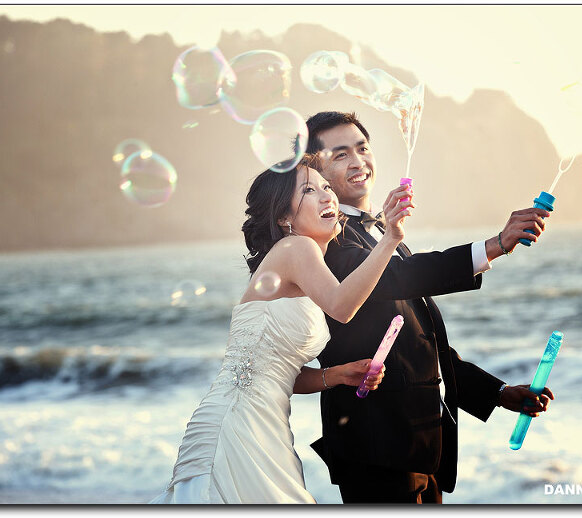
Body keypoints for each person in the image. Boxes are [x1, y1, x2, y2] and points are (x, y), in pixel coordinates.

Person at [305, 111, 555, 504]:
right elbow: (400, 277)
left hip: (420, 446)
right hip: (375, 449)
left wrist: (497, 392)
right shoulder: (327, 241)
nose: (357, 161)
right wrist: (495, 245)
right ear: (314, 171)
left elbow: (420, 345)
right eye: (340, 155)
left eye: (362, 148)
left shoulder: (380, 233)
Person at [149, 156, 415, 504]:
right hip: (238, 422)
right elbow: (341, 306)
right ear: (283, 217)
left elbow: (276, 370)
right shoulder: (295, 247)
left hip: (266, 423)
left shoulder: (297, 262)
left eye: (326, 186)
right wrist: (390, 238)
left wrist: (335, 375)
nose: (327, 196)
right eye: (309, 190)